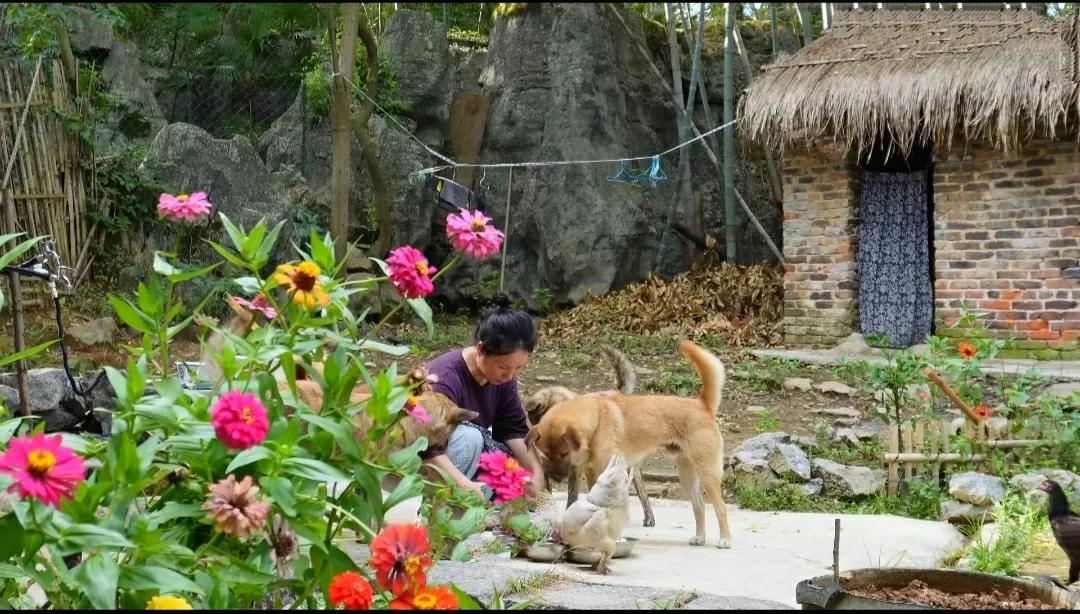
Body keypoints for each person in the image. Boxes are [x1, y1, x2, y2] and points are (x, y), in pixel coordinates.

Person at [421, 294, 546, 501]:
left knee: (512, 465)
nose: (511, 375)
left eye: (519, 368)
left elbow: (514, 431)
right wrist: (465, 486)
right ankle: (442, 504)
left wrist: (536, 476)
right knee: (470, 438)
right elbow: (428, 447)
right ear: (480, 349)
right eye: (504, 367)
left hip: (461, 458)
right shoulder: (445, 379)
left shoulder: (504, 380)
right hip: (421, 461)